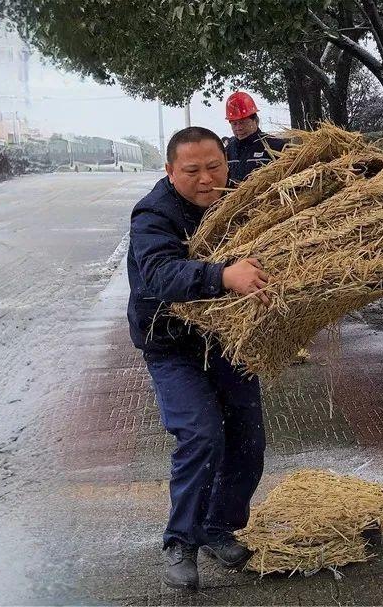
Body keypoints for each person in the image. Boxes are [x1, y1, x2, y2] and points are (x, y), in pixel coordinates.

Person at [127, 126, 272, 590]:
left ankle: (217, 527)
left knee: (248, 438)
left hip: (228, 340)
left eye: (214, 167)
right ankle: (181, 541)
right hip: (171, 344)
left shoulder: (237, 203)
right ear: (170, 172)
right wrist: (222, 275)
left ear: (226, 161)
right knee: (202, 433)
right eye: (192, 171)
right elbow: (159, 274)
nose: (206, 179)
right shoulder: (154, 214)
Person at [224, 91, 286, 186]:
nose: (238, 128)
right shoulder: (228, 151)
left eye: (242, 122)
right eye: (234, 124)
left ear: (255, 121)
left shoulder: (275, 146)